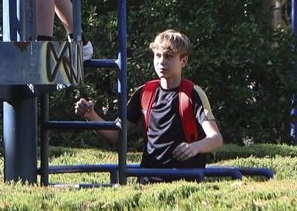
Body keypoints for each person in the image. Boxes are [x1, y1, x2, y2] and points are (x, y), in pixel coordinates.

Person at [75, 30, 222, 175]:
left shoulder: (192, 93)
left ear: (183, 61)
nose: (161, 61)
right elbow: (116, 135)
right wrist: (91, 115)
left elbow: (216, 139)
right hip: (147, 180)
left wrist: (195, 147)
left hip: (185, 180)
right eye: (158, 56)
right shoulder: (144, 93)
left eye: (169, 56)